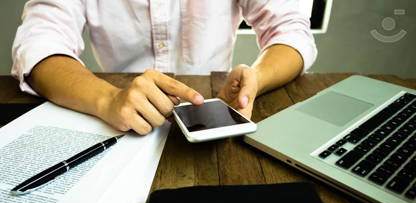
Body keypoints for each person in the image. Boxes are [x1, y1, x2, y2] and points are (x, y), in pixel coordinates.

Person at [12, 0, 317, 135]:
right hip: (115, 119)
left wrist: (258, 78)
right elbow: (40, 43)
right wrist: (108, 99)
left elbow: (290, 28)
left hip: (216, 114)